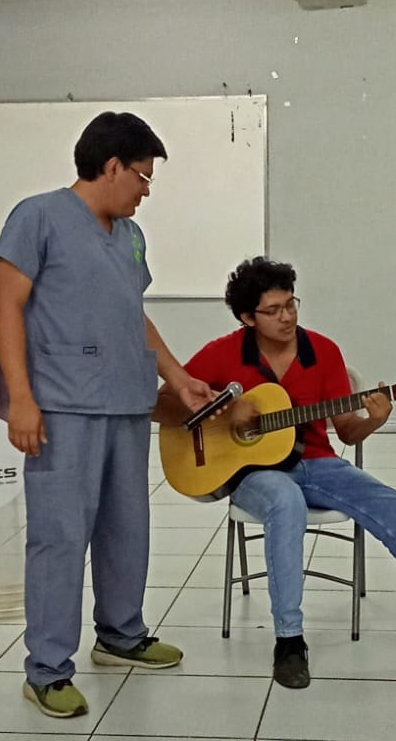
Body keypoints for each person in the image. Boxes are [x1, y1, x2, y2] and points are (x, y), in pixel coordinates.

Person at [154, 256, 396, 689]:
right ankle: (289, 642)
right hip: (252, 474)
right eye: (273, 310)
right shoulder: (222, 353)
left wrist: (375, 419)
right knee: (286, 502)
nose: (287, 316)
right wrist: (225, 408)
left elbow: (348, 432)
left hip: (317, 462)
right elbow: (159, 406)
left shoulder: (323, 351)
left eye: (291, 304)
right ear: (247, 318)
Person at [0, 111, 215, 718]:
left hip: (125, 402)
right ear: (112, 165)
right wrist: (21, 398)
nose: (147, 190)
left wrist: (177, 376)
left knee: (126, 528)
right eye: (142, 176)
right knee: (60, 538)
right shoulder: (37, 217)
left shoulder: (129, 235)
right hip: (62, 405)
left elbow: (131, 313)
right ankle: (47, 669)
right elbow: (5, 306)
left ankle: (121, 634)